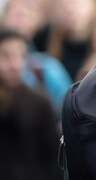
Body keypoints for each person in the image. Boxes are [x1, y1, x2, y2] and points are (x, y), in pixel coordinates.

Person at [0, 26, 61, 180]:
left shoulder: (38, 102)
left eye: (20, 55)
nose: (14, 64)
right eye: (5, 55)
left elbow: (53, 157)